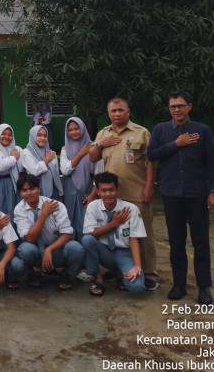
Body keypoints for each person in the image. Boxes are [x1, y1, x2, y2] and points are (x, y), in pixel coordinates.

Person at [148, 91, 214, 305]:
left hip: (197, 194)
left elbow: (212, 161)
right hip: (171, 195)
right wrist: (176, 144)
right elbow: (151, 155)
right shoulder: (161, 130)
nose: (176, 110)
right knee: (176, 242)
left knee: (201, 243)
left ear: (189, 106)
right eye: (172, 107)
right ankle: (179, 284)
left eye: (180, 106)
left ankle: (204, 287)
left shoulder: (202, 130)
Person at [89, 97, 158, 291]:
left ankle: (149, 273)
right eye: (113, 111)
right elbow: (93, 158)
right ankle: (119, 270)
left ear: (128, 111)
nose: (117, 114)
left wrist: (149, 187)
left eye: (120, 110)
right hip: (111, 197)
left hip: (137, 193)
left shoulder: (141, 132)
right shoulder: (103, 133)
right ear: (108, 113)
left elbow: (151, 162)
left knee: (143, 236)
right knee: (113, 231)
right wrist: (101, 144)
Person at [13, 173, 84, 290]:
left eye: (32, 188)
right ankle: (34, 272)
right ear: (20, 193)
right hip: (36, 251)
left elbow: (67, 235)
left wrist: (49, 250)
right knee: (25, 250)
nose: (29, 193)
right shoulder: (19, 209)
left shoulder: (56, 205)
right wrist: (44, 214)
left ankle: (68, 275)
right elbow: (29, 238)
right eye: (24, 190)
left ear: (39, 189)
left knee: (76, 248)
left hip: (56, 250)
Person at [82, 172, 146, 296]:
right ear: (98, 192)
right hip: (104, 251)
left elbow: (134, 239)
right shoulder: (93, 207)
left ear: (118, 190)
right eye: (103, 190)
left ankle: (120, 275)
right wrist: (114, 223)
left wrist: (137, 266)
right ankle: (99, 279)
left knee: (137, 287)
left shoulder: (131, 209)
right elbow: (91, 233)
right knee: (87, 240)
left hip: (125, 253)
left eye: (111, 190)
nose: (108, 194)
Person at [60, 117, 93, 242]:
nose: (73, 132)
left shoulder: (93, 147)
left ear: (82, 129)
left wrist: (93, 193)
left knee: (86, 222)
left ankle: (86, 252)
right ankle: (72, 251)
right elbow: (64, 170)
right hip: (70, 188)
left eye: (76, 128)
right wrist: (80, 154)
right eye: (70, 130)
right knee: (69, 219)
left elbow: (97, 171)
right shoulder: (65, 149)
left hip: (88, 188)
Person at [0, 123, 22, 227]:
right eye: (3, 134)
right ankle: (2, 241)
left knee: (15, 210)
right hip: (0, 183)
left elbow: (21, 167)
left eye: (9, 134)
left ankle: (16, 241)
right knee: (1, 210)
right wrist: (13, 158)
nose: (7, 137)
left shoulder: (17, 149)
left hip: (15, 183)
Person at [22, 126, 64, 200]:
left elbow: (56, 174)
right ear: (33, 136)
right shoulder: (26, 152)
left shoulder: (50, 153)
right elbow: (34, 171)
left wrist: (60, 192)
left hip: (53, 191)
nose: (42, 138)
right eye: (39, 135)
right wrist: (47, 159)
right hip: (35, 191)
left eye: (45, 136)